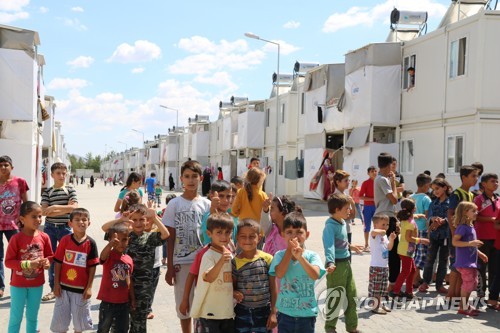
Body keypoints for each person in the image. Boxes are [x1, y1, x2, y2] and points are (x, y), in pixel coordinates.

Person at [103, 204, 169, 332]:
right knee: (118, 323)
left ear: (147, 221)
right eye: (135, 219)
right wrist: (121, 220)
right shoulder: (125, 236)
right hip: (122, 286)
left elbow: (165, 234)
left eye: (141, 219)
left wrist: (154, 218)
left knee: (139, 323)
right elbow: (104, 228)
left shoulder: (150, 237)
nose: (138, 223)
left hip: (143, 288)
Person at [162, 160, 211, 333]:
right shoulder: (174, 204)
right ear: (181, 178)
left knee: (203, 301)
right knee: (184, 304)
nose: (191, 180)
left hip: (204, 262)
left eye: (194, 176)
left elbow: (212, 234)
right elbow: (169, 237)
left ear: (201, 178)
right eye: (187, 176)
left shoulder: (207, 204)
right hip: (181, 262)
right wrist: (169, 266)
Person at [270, 212, 325, 333]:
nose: (294, 236)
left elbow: (315, 275)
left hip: (306, 315)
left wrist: (300, 257)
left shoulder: (312, 256)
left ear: (307, 234)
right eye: (289, 232)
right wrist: (289, 252)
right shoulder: (279, 255)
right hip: (285, 314)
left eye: (299, 232)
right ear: (283, 234)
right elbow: (279, 274)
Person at [50, 208, 99, 333]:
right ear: (70, 223)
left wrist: (89, 287)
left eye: (84, 219)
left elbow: (93, 267)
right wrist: (56, 284)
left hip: (81, 291)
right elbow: (58, 262)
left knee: (79, 325)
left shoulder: (91, 243)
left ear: (89, 223)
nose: (81, 222)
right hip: (63, 289)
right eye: (77, 219)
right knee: (60, 324)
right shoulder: (65, 240)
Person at [5, 201, 52, 333]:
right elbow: (8, 262)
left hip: (37, 284)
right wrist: (28, 264)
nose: (38, 219)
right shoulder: (16, 239)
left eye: (40, 216)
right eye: (34, 216)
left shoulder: (44, 237)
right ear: (22, 219)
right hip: (18, 285)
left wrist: (47, 263)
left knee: (32, 317)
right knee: (16, 317)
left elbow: (50, 256)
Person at [323, 193, 363, 332]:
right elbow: (329, 245)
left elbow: (341, 241)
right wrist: (330, 262)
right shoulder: (330, 226)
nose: (349, 211)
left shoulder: (341, 222)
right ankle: (330, 328)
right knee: (335, 297)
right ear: (337, 210)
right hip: (336, 266)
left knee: (351, 295)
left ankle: (352, 327)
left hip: (346, 264)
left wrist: (351, 246)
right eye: (346, 208)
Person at [190, 213, 235, 331]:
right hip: (209, 312)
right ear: (209, 233)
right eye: (219, 232)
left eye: (227, 232)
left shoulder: (230, 254)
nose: (224, 236)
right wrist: (220, 262)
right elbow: (208, 277)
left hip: (226, 312)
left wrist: (235, 292)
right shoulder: (208, 255)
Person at [41, 162, 78, 302]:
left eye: (64, 173)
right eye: (58, 173)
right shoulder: (47, 192)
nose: (62, 176)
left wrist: (55, 207)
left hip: (65, 228)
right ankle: (53, 288)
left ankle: (69, 286)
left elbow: (74, 207)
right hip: (50, 228)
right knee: (51, 259)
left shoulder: (70, 189)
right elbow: (44, 211)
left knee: (68, 258)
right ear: (52, 175)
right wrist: (65, 208)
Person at [233, 219, 277, 332]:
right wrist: (234, 292)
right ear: (237, 237)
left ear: (260, 237)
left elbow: (273, 287)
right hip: (242, 311)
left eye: (252, 236)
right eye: (243, 236)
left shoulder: (268, 259)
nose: (247, 240)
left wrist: (273, 312)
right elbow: (231, 286)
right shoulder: (234, 262)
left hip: (264, 311)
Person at [447, 165, 479, 300]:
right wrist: (455, 233)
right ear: (463, 177)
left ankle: (458, 297)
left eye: (477, 176)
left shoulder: (471, 194)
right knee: (456, 266)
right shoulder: (457, 193)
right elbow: (450, 214)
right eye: (473, 176)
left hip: (466, 236)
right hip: (458, 235)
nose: (476, 179)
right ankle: (450, 294)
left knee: (463, 268)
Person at [96, 222, 135, 333]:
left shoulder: (128, 259)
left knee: (122, 329)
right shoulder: (109, 255)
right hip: (107, 302)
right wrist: (110, 245)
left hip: (123, 303)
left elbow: (129, 279)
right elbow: (101, 258)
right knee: (103, 328)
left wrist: (132, 298)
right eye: (117, 240)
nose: (120, 243)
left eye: (124, 240)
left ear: (128, 240)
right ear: (110, 240)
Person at [0, 155, 29, 298]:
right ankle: (0, 286)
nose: (3, 168)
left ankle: (16, 282)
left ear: (12, 167)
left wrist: (25, 220)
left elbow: (26, 203)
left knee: (17, 255)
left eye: (6, 165)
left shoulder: (20, 182)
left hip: (14, 224)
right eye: (0, 165)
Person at [452, 202, 488, 316]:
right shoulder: (462, 227)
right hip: (464, 262)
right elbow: (455, 242)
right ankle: (462, 307)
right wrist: (471, 242)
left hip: (471, 262)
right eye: (473, 211)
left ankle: (465, 304)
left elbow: (471, 246)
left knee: (473, 283)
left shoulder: (471, 227)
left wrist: (480, 253)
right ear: (465, 212)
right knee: (468, 284)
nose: (476, 213)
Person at [390, 199, 429, 300]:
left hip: (407, 249)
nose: (416, 207)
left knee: (412, 271)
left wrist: (419, 215)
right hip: (406, 250)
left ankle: (409, 292)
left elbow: (413, 217)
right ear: (412, 209)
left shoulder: (405, 219)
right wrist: (421, 240)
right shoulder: (410, 223)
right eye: (415, 206)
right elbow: (408, 238)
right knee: (406, 271)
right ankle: (396, 291)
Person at [421, 178, 452, 294]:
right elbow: (428, 218)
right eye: (433, 189)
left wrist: (444, 221)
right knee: (430, 259)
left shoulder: (451, 202)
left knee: (444, 261)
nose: (435, 192)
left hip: (446, 236)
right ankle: (425, 282)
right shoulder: (433, 203)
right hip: (434, 236)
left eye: (437, 188)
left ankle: (439, 285)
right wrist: (432, 219)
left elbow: (453, 218)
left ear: (445, 187)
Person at [374, 153, 400, 292]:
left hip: (384, 216)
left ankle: (388, 284)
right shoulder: (383, 179)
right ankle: (393, 284)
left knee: (387, 251)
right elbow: (394, 199)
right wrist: (394, 183)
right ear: (389, 165)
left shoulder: (380, 179)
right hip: (386, 217)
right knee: (393, 253)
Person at [473, 173, 499, 300]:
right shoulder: (479, 199)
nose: (496, 183)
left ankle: (493, 295)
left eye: (497, 181)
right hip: (482, 237)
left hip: (496, 238)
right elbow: (474, 216)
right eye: (493, 181)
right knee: (481, 267)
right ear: (484, 184)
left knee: (495, 267)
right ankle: (480, 293)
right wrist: (490, 219)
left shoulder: (498, 198)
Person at [369, 214, 396, 314]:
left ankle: (381, 304)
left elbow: (389, 247)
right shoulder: (374, 235)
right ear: (375, 225)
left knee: (383, 288)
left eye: (387, 224)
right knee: (376, 288)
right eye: (383, 224)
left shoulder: (384, 236)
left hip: (384, 266)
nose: (386, 227)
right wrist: (382, 231)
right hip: (376, 266)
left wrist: (392, 239)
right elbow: (373, 231)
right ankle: (375, 307)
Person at [410, 173, 432, 289]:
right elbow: (428, 217)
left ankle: (417, 278)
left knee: (415, 254)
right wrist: (429, 231)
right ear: (426, 185)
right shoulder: (426, 198)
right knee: (422, 256)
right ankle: (414, 278)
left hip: (412, 229)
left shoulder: (411, 197)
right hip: (423, 230)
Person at [200, 180, 237, 246]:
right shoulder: (209, 216)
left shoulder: (229, 216)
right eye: (221, 196)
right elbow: (216, 221)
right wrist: (213, 208)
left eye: (228, 196)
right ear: (212, 196)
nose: (225, 200)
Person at [332, 170, 357, 255]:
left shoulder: (346, 196)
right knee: (342, 258)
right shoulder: (336, 197)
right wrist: (351, 207)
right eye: (346, 180)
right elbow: (345, 216)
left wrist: (353, 204)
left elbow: (352, 216)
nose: (348, 182)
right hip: (340, 232)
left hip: (347, 230)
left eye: (348, 180)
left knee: (348, 258)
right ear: (338, 182)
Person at [359, 166, 377, 251]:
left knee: (377, 226)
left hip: (378, 207)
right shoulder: (365, 183)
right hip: (368, 207)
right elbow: (360, 196)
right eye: (372, 171)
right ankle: (366, 244)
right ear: (368, 173)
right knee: (367, 226)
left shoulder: (379, 182)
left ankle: (376, 244)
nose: (374, 173)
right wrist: (372, 199)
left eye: (375, 171)